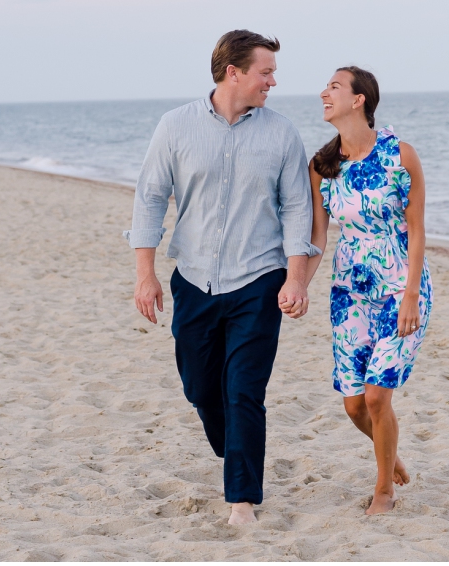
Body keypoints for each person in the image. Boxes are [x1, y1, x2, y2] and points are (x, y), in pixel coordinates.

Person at [125, 30, 320, 525]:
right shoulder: (175, 126)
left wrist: (296, 278)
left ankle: (242, 501)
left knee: (244, 392)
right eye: (266, 72)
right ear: (233, 72)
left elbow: (299, 208)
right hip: (192, 279)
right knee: (201, 390)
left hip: (259, 280)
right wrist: (145, 275)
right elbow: (150, 198)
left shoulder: (281, 133)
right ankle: (233, 447)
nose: (273, 81)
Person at [304, 66, 433, 515]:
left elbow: (416, 231)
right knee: (355, 405)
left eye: (334, 87)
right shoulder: (322, 167)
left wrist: (413, 294)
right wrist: (297, 283)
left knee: (378, 396)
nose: (324, 92)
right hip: (350, 294)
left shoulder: (401, 156)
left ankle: (383, 491)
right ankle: (389, 450)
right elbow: (318, 239)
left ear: (359, 100)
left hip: (402, 289)